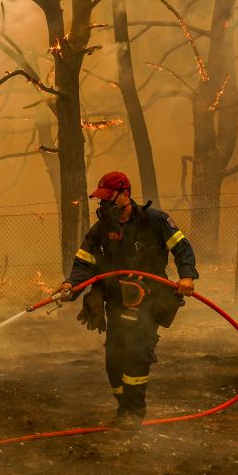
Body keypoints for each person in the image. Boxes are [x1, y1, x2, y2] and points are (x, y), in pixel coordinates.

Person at [57, 171, 198, 429]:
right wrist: (70, 286)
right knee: (114, 361)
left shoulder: (156, 221)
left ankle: (133, 412)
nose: (104, 206)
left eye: (109, 199)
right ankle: (124, 407)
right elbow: (84, 262)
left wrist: (187, 276)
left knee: (137, 352)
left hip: (151, 298)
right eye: (101, 200)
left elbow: (182, 248)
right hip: (116, 300)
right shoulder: (101, 230)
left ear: (126, 195)